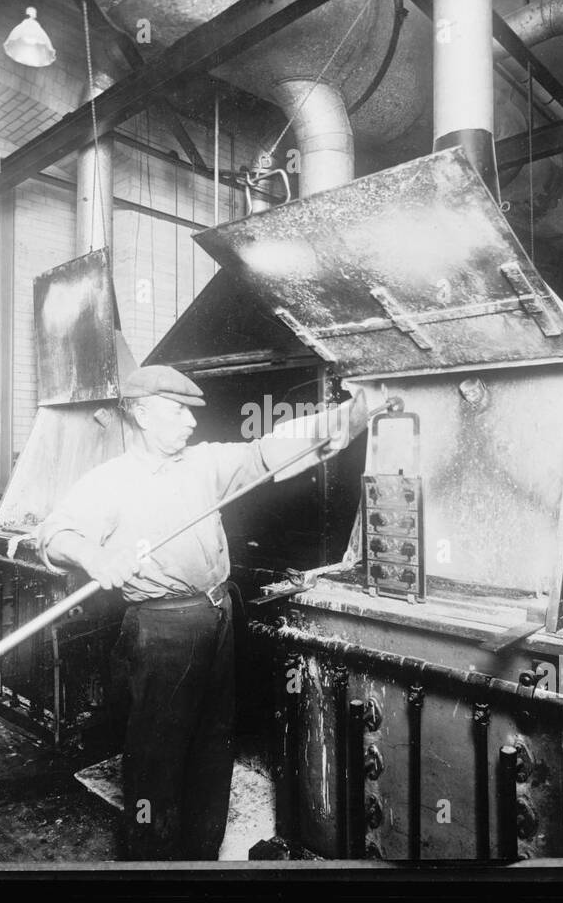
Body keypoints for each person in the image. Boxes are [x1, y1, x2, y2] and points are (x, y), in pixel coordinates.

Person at [35, 364, 368, 860]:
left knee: (214, 746)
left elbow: (267, 451)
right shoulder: (112, 481)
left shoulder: (202, 464)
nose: (192, 423)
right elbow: (55, 533)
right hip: (163, 628)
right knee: (157, 758)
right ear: (144, 414)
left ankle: (202, 859)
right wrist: (94, 555)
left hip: (219, 614)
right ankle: (149, 862)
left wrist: (356, 412)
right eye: (179, 411)